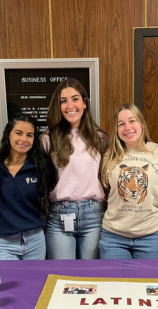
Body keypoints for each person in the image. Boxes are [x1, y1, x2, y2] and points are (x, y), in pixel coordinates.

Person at [41, 78, 110, 259]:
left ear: (85, 103)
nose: (70, 105)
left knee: (90, 277)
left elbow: (107, 178)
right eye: (63, 101)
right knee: (62, 275)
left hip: (94, 214)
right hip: (59, 215)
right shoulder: (48, 139)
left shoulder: (100, 138)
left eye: (75, 99)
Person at [99, 103, 158, 259]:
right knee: (115, 283)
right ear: (116, 130)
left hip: (151, 234)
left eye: (132, 121)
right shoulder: (108, 155)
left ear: (141, 123)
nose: (127, 127)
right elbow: (105, 189)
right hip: (114, 235)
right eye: (121, 124)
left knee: (148, 283)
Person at [0, 113, 55, 260]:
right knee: (6, 283)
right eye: (18, 133)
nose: (24, 139)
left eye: (29, 135)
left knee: (35, 283)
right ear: (8, 135)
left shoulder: (41, 167)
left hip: (35, 241)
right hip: (3, 242)